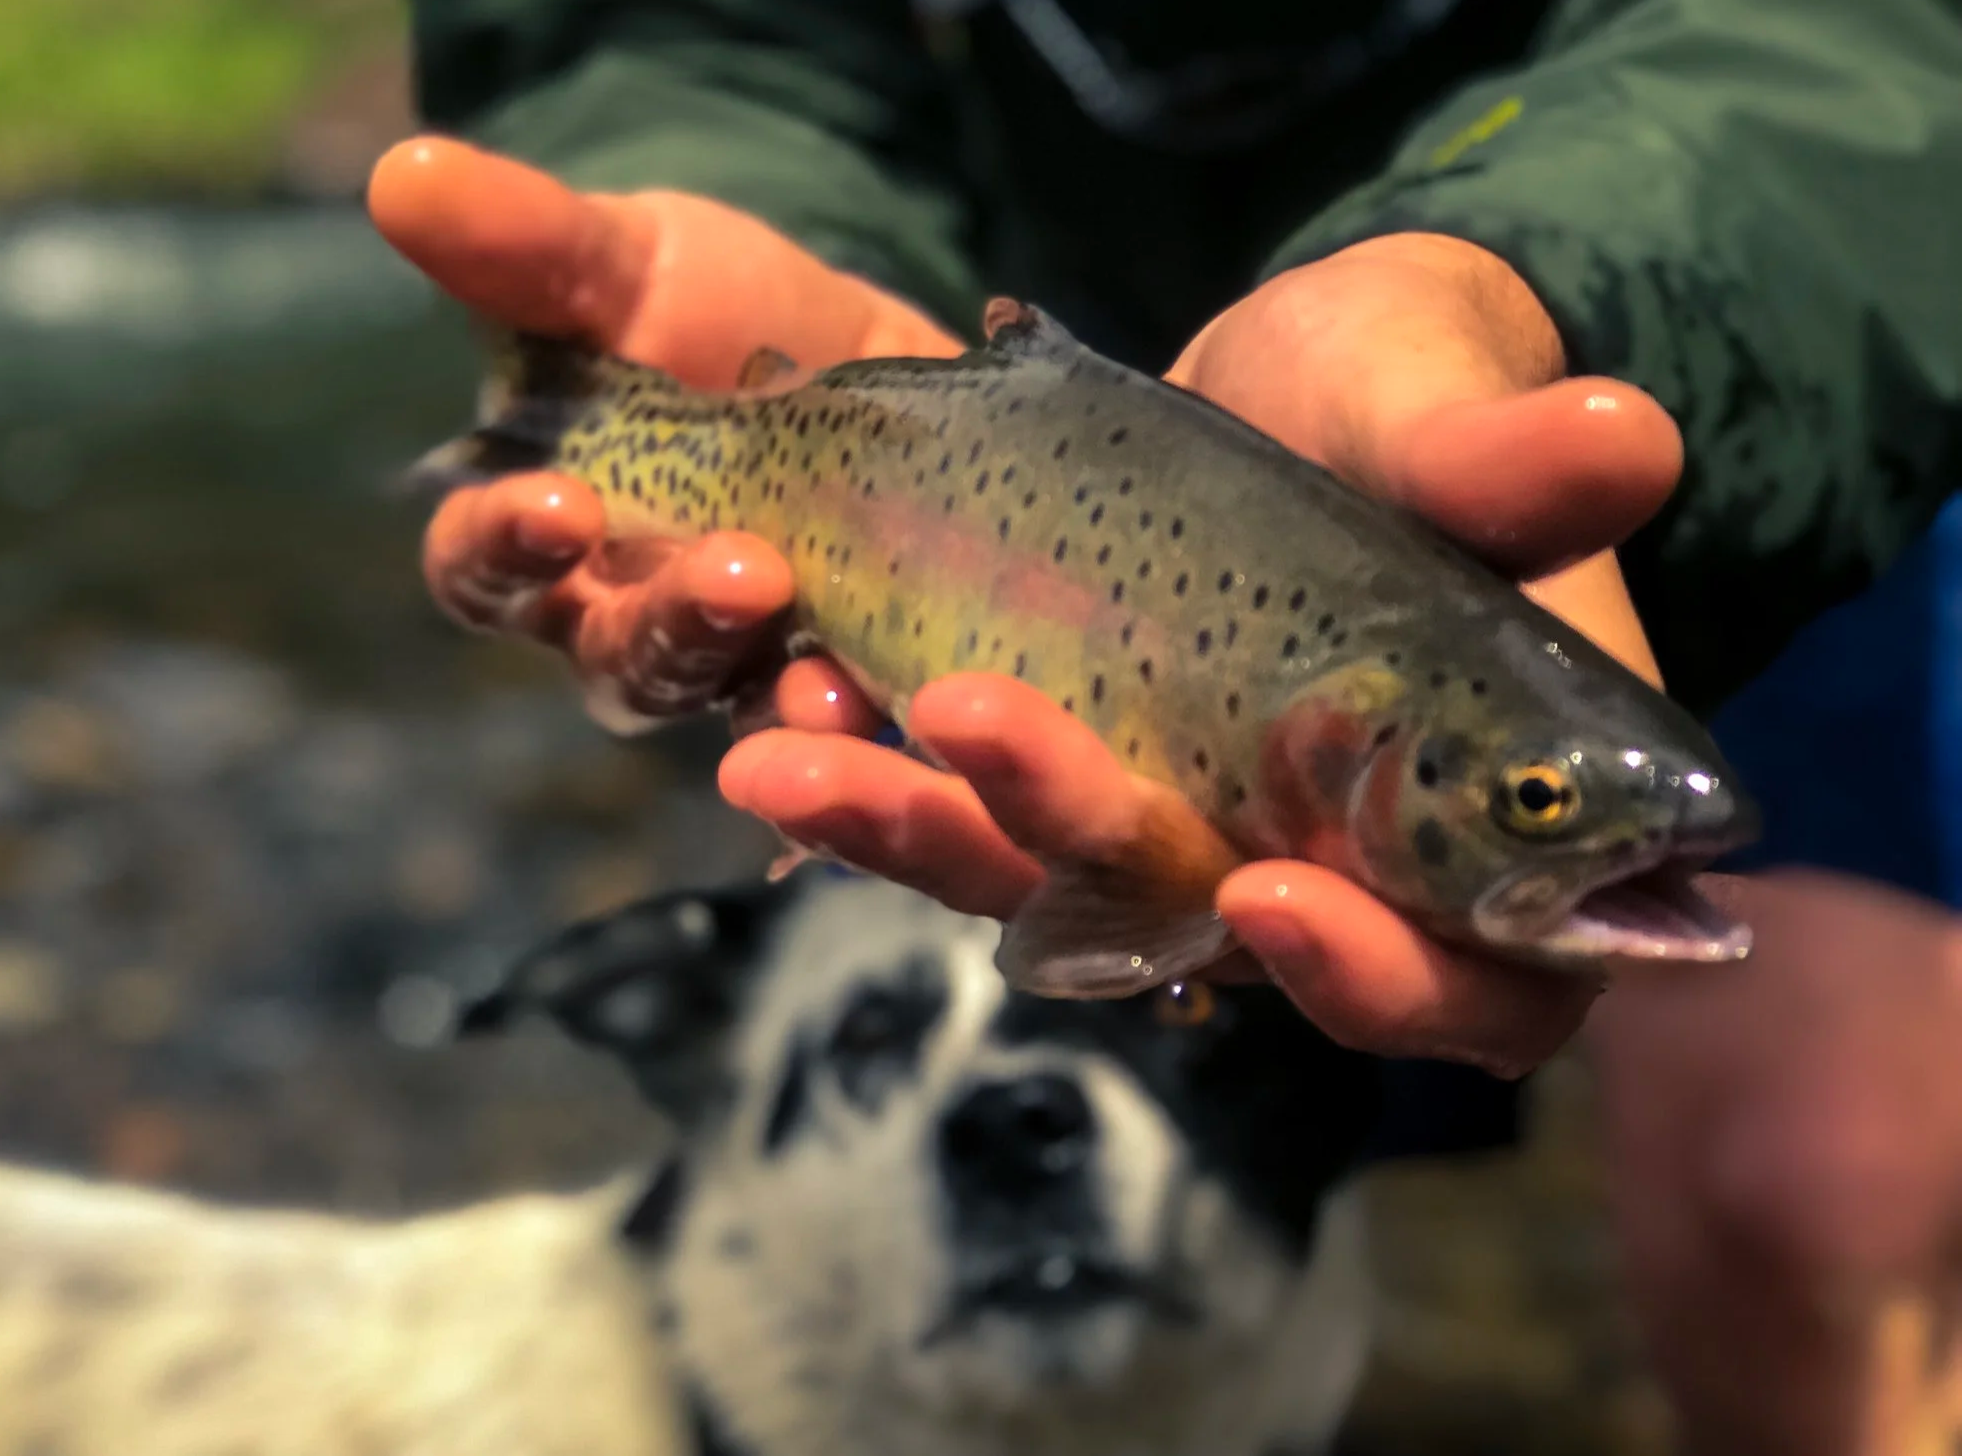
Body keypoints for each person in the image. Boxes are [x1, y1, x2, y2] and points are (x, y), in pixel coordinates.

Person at [369, 0, 1962, 1449]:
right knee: (1206, 1167)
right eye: (1538, 805)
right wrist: (727, 196)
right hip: (1059, 351)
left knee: (1817, 1196)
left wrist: (1539, 275)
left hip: (1686, 316)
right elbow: (680, 34)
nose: (1551, 818)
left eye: (1530, 805)